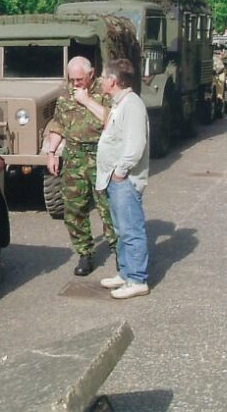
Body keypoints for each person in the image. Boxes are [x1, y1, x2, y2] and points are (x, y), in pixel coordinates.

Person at [46, 56, 116, 276]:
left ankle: (120, 252)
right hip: (74, 158)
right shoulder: (66, 95)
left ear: (91, 74)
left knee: (109, 208)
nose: (76, 83)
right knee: (74, 209)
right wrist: (51, 153)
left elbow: (112, 120)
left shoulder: (105, 91)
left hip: (100, 156)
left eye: (79, 79)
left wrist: (87, 100)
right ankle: (84, 253)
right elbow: (58, 125)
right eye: (72, 79)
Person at [95, 58, 151, 299]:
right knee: (120, 229)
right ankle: (126, 273)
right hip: (114, 178)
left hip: (124, 180)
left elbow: (136, 144)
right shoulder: (120, 103)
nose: (101, 80)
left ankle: (137, 279)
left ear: (114, 81)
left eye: (104, 77)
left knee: (131, 229)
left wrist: (120, 171)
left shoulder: (132, 105)